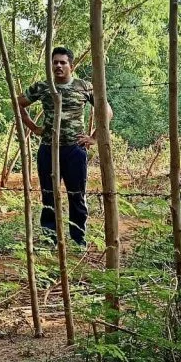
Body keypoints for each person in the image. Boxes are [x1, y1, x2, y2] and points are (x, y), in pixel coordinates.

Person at [18, 46, 111, 247]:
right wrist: (33, 127)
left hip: (74, 150)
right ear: (50, 65)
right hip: (48, 149)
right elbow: (19, 103)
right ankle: (49, 239)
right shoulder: (43, 87)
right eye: (55, 62)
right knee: (48, 195)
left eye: (63, 62)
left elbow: (107, 111)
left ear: (71, 65)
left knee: (77, 196)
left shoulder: (84, 86)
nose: (58, 66)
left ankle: (78, 240)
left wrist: (94, 138)